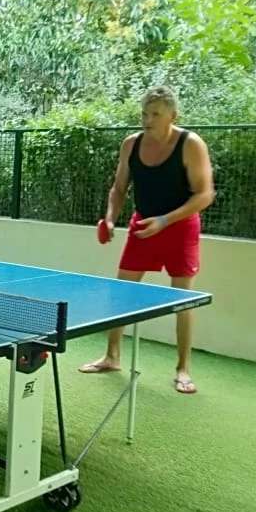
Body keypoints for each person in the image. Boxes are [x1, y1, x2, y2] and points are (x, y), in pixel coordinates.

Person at [80, 86, 215, 393]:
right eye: (144, 113)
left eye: (155, 114)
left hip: (180, 226)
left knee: (182, 299)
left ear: (173, 116)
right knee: (121, 291)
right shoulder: (131, 144)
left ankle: (183, 369)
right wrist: (110, 218)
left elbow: (205, 194)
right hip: (142, 225)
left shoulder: (190, 144)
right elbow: (118, 188)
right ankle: (111, 356)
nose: (147, 120)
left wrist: (165, 220)